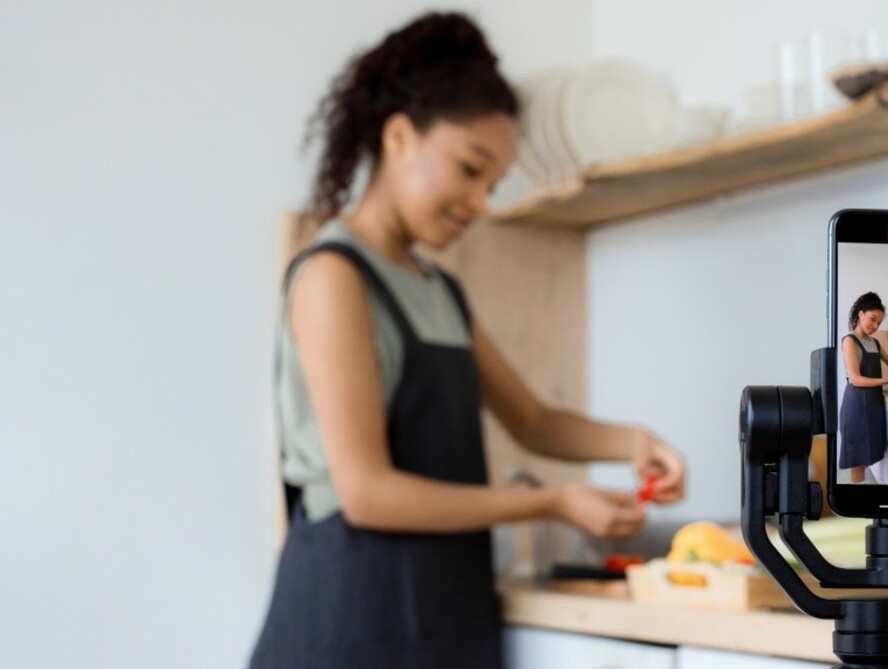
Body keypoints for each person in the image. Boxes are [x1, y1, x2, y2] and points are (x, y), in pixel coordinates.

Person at [249, 12, 686, 668]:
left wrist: (633, 442)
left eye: (493, 183)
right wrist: (552, 500)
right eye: (470, 168)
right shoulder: (332, 277)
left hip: (442, 609)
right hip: (346, 617)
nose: (482, 201)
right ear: (398, 137)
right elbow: (367, 491)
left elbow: (532, 418)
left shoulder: (438, 289)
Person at [839, 292, 888, 484]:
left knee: (871, 451)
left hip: (873, 404)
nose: (875, 326)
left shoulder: (875, 343)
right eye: (872, 319)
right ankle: (858, 506)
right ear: (860, 313)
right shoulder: (849, 341)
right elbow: (856, 379)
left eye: (879, 323)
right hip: (856, 405)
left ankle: (868, 498)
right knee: (858, 460)